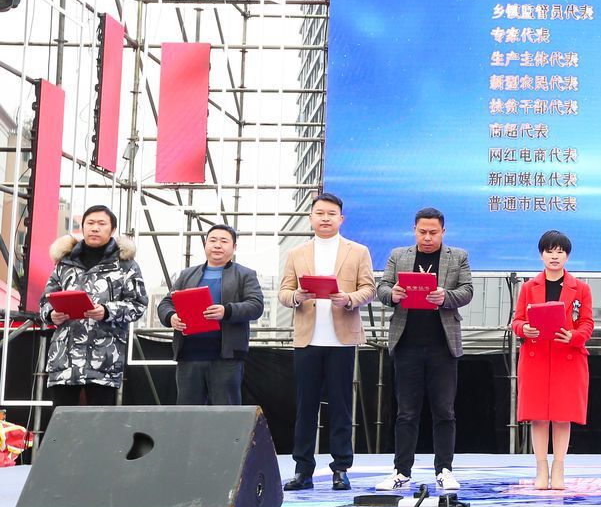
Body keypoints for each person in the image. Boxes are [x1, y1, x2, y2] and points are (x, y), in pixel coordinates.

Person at [278, 193, 376, 492]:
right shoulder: (297, 253)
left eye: (331, 214)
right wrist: (297, 296)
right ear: (311, 218)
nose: (325, 218)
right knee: (305, 407)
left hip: (341, 340)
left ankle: (341, 468)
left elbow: (369, 289)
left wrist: (349, 299)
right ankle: (302, 469)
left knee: (341, 407)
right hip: (307, 339)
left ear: (341, 219)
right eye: (319, 213)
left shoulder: (357, 251)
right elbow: (284, 292)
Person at [374, 207, 473, 492]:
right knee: (406, 412)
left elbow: (467, 290)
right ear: (414, 230)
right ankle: (401, 471)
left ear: (443, 231)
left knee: (444, 411)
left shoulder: (458, 256)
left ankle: (444, 470)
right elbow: (382, 287)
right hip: (407, 344)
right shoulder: (399, 255)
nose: (427, 238)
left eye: (433, 232)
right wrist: (392, 295)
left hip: (443, 345)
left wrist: (446, 297)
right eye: (422, 232)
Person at [38, 205, 147, 409]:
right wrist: (51, 314)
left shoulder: (126, 265)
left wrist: (106, 311)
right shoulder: (64, 262)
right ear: (83, 227)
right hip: (64, 361)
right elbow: (45, 301)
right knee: (63, 420)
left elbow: (138, 305)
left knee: (99, 422)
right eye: (90, 223)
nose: (95, 228)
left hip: (103, 360)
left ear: (112, 230)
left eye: (101, 223)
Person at [510, 230, 595, 490]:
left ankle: (559, 468)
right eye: (549, 251)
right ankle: (541, 469)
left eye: (560, 252)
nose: (554, 256)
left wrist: (573, 336)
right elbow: (517, 321)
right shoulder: (528, 287)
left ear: (567, 256)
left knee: (562, 415)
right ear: (541, 255)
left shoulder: (581, 288)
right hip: (536, 357)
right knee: (538, 416)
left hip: (566, 357)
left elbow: (588, 323)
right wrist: (524, 329)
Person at [157, 224, 265, 405]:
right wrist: (171, 317)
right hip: (189, 355)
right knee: (187, 414)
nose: (217, 245)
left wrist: (226, 311)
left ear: (234, 247)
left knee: (225, 413)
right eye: (213, 240)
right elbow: (166, 303)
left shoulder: (245, 274)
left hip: (226, 357)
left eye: (224, 241)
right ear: (205, 244)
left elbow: (256, 306)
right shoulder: (187, 274)